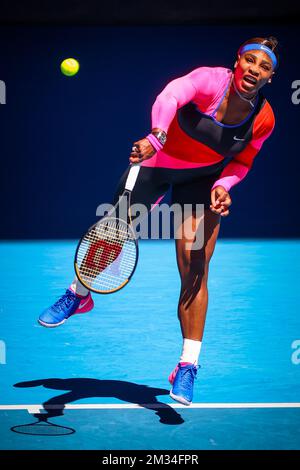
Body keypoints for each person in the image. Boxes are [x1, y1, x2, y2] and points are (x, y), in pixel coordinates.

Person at [38, 36, 278, 406]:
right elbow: (169, 97)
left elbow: (243, 161)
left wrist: (224, 185)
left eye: (264, 68)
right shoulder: (209, 81)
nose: (254, 70)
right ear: (237, 62)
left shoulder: (263, 119)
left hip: (202, 182)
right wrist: (157, 136)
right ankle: (79, 294)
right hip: (156, 164)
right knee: (113, 233)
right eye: (250, 61)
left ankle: (187, 365)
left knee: (196, 266)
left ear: (270, 78)